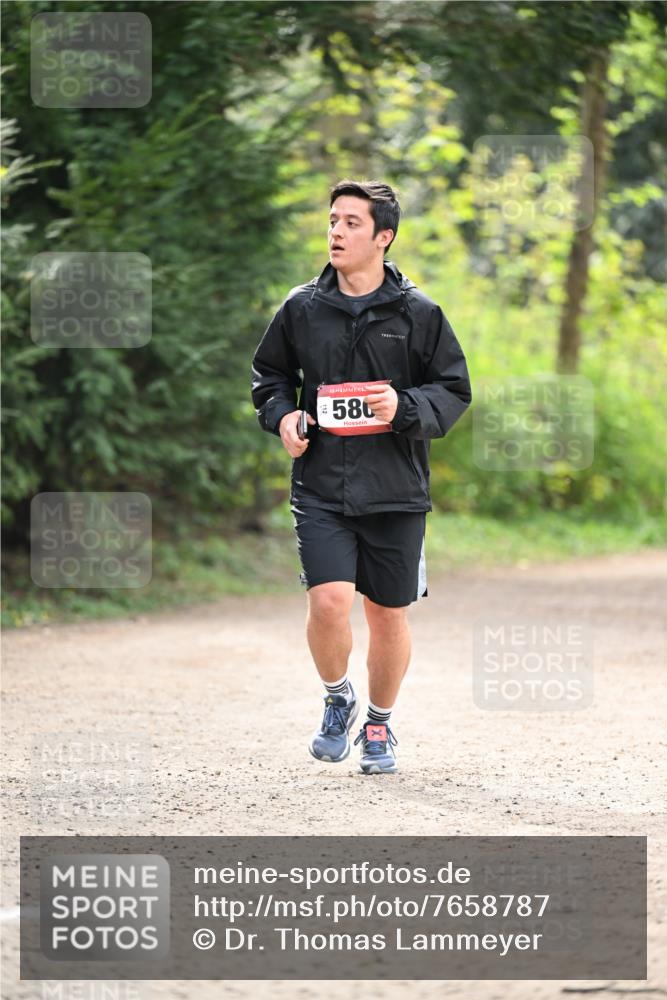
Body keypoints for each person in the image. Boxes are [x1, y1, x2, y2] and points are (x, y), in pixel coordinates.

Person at [251, 179, 471, 774]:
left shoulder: (419, 314)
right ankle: (336, 697)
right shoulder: (302, 307)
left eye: (351, 223)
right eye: (332, 221)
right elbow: (268, 376)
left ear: (384, 237)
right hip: (321, 485)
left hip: (396, 489)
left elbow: (453, 390)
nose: (337, 233)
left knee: (386, 613)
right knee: (328, 602)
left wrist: (403, 409)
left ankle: (379, 722)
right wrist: (284, 416)